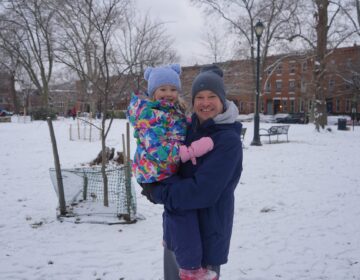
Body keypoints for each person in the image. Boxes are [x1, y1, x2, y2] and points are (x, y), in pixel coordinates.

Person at [143, 64, 243, 279]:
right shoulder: (187, 128)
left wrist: (157, 192)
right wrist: (148, 172)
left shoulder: (228, 141)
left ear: (222, 100)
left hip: (206, 239)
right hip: (177, 233)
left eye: (212, 96)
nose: (205, 103)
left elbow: (201, 192)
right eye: (199, 97)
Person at [127, 64, 217, 280]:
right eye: (163, 89)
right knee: (182, 208)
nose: (168, 94)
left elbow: (180, 128)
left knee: (178, 208)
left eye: (172, 89)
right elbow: (156, 148)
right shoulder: (148, 114)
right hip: (154, 171)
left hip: (167, 169)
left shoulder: (173, 111)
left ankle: (172, 240)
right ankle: (189, 269)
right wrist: (188, 152)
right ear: (152, 92)